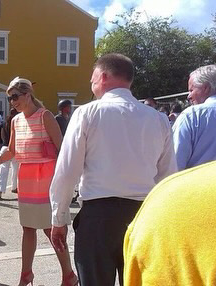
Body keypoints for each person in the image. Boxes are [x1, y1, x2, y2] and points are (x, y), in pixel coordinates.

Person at [49, 53, 177, 286]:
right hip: (143, 214)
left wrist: (59, 219)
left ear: (104, 76)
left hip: (99, 217)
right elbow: (168, 177)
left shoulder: (87, 113)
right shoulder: (158, 119)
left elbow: (68, 171)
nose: (91, 82)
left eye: (93, 77)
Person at [0, 77, 78, 286]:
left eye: (15, 97)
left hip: (47, 177)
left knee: (52, 229)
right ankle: (26, 274)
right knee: (28, 228)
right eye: (10, 98)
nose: (12, 101)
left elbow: (62, 150)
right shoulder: (15, 121)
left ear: (28, 94)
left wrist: (64, 182)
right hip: (27, 177)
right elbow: (12, 150)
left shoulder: (45, 116)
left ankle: (68, 275)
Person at [123, 155, 216, 285]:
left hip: (173, 208)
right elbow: (167, 168)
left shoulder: (166, 203)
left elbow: (175, 163)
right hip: (163, 205)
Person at [172, 64, 216, 171]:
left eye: (191, 90)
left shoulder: (191, 116)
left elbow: (174, 165)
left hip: (200, 186)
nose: (188, 96)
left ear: (206, 88)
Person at [0, 108, 19, 200]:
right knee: (15, 169)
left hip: (5, 147)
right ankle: (14, 187)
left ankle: (0, 190)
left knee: (3, 170)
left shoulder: (5, 123)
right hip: (15, 148)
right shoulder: (17, 123)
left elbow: (2, 135)